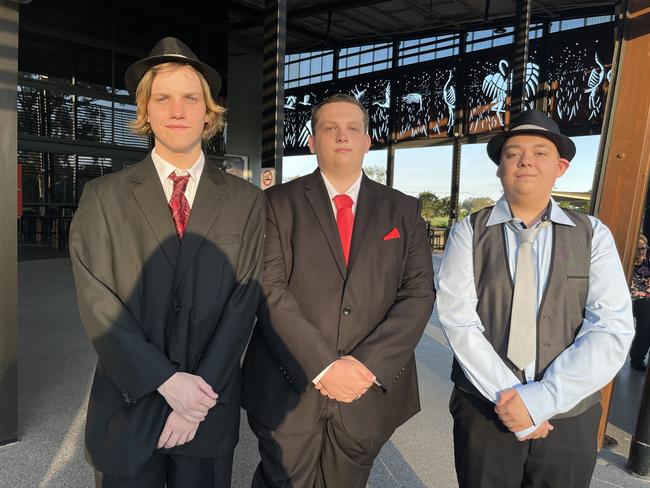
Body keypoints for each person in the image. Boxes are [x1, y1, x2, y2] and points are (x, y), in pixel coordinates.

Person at [69, 37, 265, 487]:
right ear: (147, 110)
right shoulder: (103, 197)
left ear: (208, 111)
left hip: (206, 407)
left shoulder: (246, 201)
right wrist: (165, 381)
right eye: (163, 98)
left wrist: (197, 397)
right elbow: (98, 304)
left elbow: (245, 299)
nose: (177, 110)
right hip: (128, 403)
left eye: (190, 98)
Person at [242, 93, 435, 487]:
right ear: (312, 142)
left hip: (368, 391)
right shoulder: (275, 204)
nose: (342, 136)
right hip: (288, 382)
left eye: (353, 129)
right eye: (329, 128)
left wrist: (363, 366)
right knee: (282, 479)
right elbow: (269, 288)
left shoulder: (404, 210)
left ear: (368, 140)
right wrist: (325, 366)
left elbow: (418, 295)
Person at [436, 109, 634, 488]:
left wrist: (539, 401)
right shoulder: (469, 231)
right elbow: (458, 319)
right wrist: (513, 403)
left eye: (539, 152)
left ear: (560, 167)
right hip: (484, 409)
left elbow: (611, 326)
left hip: (569, 414)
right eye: (513, 153)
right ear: (499, 169)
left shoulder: (592, 234)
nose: (525, 159)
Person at [630, 234, 650, 371]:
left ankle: (637, 359)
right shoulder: (627, 261)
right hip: (628, 298)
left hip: (644, 300)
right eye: (639, 248)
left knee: (646, 328)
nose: (642, 251)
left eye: (644, 248)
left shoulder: (648, 263)